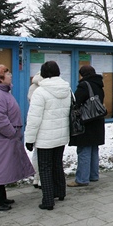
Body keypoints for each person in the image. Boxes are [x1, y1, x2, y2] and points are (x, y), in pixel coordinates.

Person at [0, 64, 34, 211]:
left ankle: (0, 197)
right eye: (8, 74)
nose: (10, 76)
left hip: (0, 139)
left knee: (0, 168)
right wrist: (12, 132)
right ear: (0, 79)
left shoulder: (0, 92)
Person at [25, 61, 71, 210]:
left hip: (45, 137)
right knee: (57, 164)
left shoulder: (40, 92)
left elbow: (34, 119)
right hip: (62, 134)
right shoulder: (67, 89)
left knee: (44, 167)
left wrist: (29, 139)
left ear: (43, 73)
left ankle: (48, 200)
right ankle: (60, 192)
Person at [68, 65, 105, 187]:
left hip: (86, 121)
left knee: (84, 149)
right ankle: (93, 175)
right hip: (97, 120)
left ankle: (82, 179)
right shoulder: (99, 84)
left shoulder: (84, 86)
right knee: (94, 149)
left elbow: (76, 102)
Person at [27, 71, 43, 189]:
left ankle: (37, 178)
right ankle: (42, 179)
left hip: (39, 126)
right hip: (47, 126)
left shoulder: (33, 87)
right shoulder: (46, 89)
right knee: (47, 157)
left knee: (37, 153)